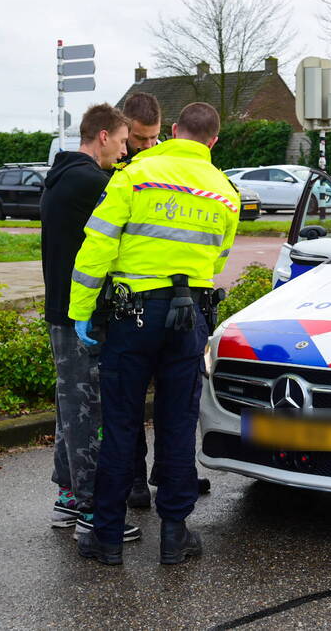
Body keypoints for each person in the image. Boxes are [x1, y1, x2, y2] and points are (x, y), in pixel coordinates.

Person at [70, 102, 239, 565]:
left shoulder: (135, 176)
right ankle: (174, 535)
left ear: (173, 131)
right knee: (178, 424)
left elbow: (97, 246)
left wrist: (81, 312)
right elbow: (218, 259)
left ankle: (107, 537)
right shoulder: (225, 192)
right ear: (213, 141)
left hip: (133, 316)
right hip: (190, 319)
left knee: (121, 424)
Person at [39, 103, 141, 543]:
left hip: (61, 311)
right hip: (83, 314)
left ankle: (67, 496)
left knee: (69, 408)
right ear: (103, 136)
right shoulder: (91, 183)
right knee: (87, 410)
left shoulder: (63, 175)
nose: (124, 152)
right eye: (122, 141)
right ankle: (93, 510)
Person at [115, 92, 214, 510]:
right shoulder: (118, 168)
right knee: (130, 403)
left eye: (153, 138)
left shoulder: (170, 165)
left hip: (179, 299)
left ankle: (174, 474)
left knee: (177, 402)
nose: (145, 145)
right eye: (139, 138)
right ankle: (136, 479)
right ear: (122, 131)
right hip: (132, 299)